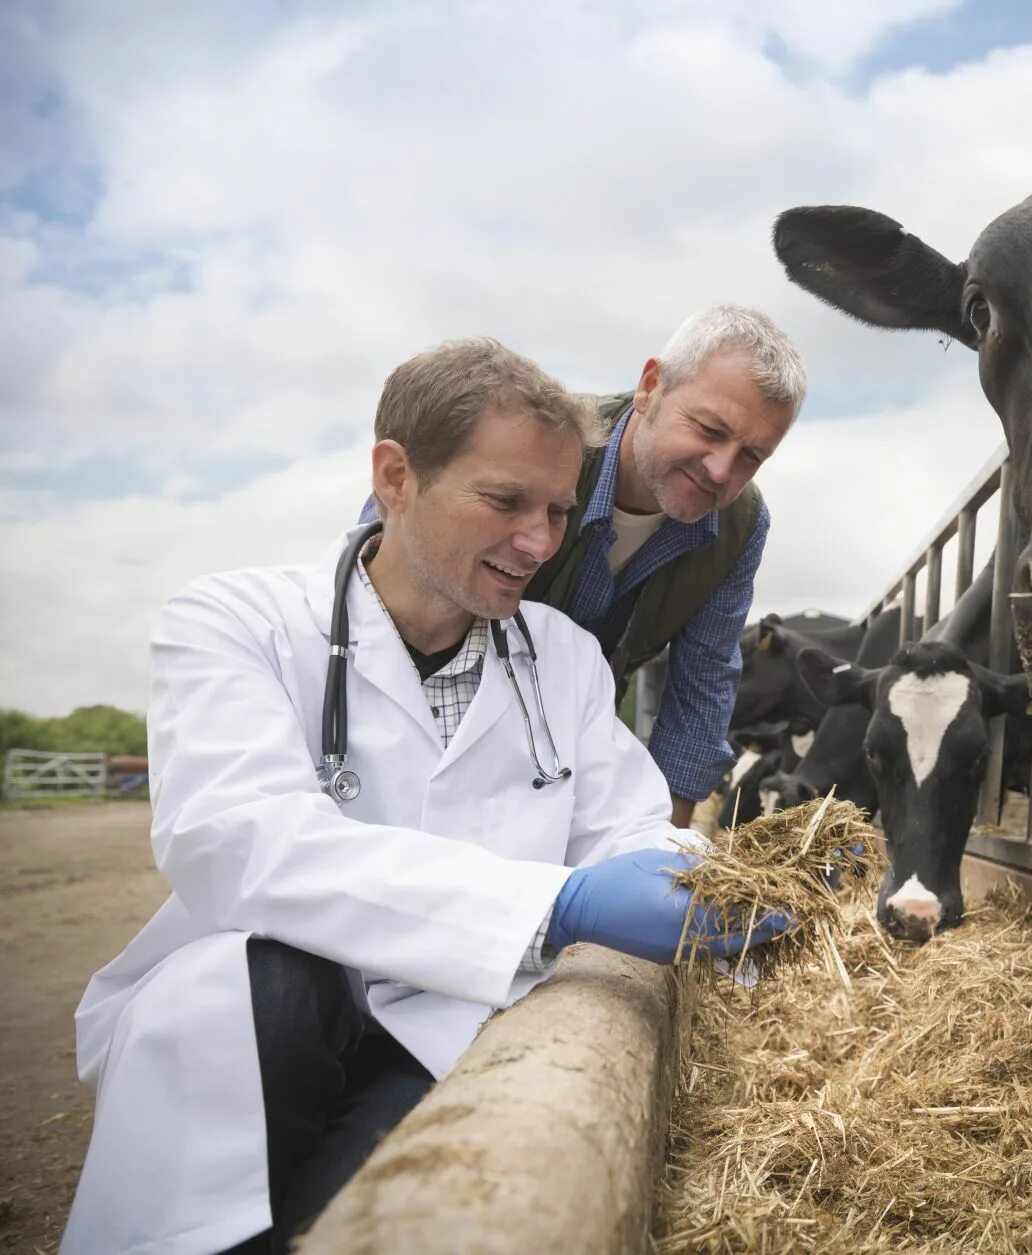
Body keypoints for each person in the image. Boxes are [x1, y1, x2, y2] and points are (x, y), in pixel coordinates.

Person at [63, 340, 789, 1255]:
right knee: (274, 1003)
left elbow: (632, 829)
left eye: (561, 510)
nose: (539, 542)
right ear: (395, 476)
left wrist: (753, 888)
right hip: (248, 1031)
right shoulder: (236, 622)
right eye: (504, 501)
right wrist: (553, 902)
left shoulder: (561, 655)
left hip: (438, 1018)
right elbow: (234, 837)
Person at [359, 305, 804, 828]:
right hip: (432, 708)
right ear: (651, 386)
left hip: (572, 742)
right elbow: (394, 554)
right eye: (708, 430)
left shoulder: (739, 525)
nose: (721, 470)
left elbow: (703, 682)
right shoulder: (542, 443)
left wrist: (660, 857)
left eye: (752, 456)